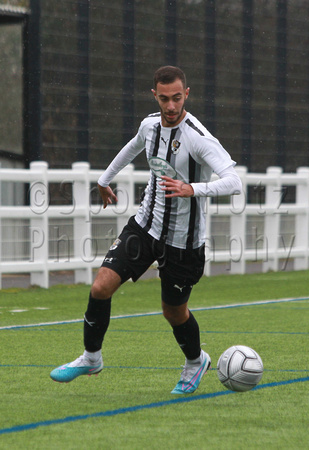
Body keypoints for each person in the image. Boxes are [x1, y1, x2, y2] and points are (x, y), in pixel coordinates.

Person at [50, 66, 242, 394]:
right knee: (100, 287)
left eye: (177, 98)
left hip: (183, 241)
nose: (171, 106)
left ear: (187, 94)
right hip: (144, 227)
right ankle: (91, 357)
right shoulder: (150, 125)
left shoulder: (198, 138)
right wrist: (104, 179)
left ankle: (196, 361)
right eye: (164, 98)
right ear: (155, 95)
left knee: (173, 311)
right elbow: (134, 146)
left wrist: (192, 189)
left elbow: (234, 181)